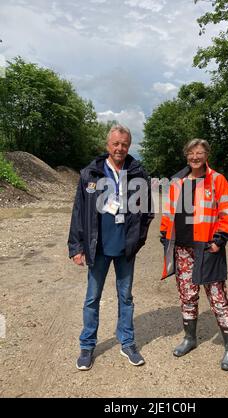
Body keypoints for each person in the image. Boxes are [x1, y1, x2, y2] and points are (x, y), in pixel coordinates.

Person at [68, 124, 154, 370]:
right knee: (92, 298)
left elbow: (147, 212)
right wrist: (76, 246)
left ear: (129, 146)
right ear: (108, 145)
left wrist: (138, 240)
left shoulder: (138, 174)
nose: (120, 148)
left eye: (124, 144)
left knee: (125, 297)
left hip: (126, 248)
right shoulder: (91, 173)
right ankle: (87, 346)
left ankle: (127, 342)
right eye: (116, 144)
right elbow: (79, 211)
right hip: (98, 247)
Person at [160, 139, 228, 371]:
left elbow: (227, 211)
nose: (195, 157)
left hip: (207, 248)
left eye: (200, 152)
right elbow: (169, 211)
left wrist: (220, 239)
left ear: (206, 155)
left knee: (218, 297)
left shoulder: (217, 180)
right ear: (186, 156)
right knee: (187, 295)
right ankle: (189, 339)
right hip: (182, 249)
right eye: (191, 153)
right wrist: (165, 234)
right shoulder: (178, 182)